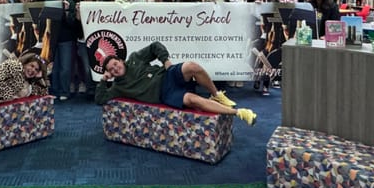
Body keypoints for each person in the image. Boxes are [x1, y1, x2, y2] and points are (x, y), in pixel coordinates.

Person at [94, 42, 257, 125]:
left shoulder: (135, 58)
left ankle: (217, 95)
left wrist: (166, 61)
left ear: (120, 60)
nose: (115, 69)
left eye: (115, 64)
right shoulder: (117, 87)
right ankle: (239, 113)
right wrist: (103, 80)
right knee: (193, 100)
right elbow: (100, 99)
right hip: (164, 95)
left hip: (167, 75)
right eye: (111, 70)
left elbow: (155, 46)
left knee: (192, 66)